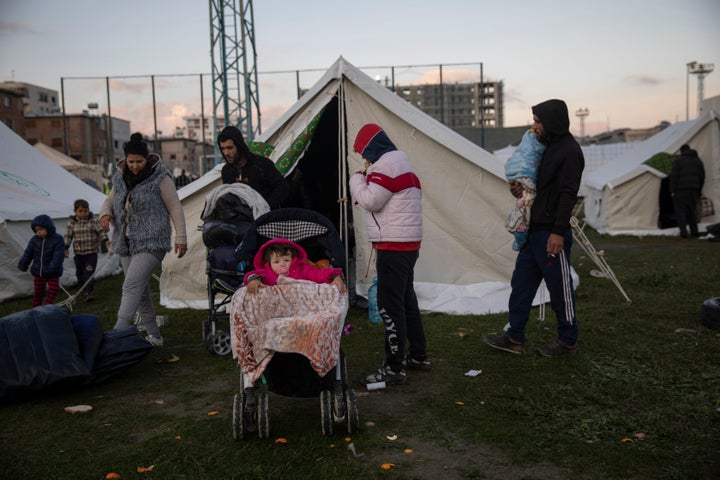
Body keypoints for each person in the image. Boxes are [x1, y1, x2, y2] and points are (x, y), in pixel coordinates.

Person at [484, 99, 585, 357]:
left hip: (551, 232)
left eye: (538, 121)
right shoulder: (544, 147)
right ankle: (514, 337)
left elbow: (567, 194)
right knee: (521, 286)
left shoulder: (570, 151)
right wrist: (519, 187)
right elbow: (536, 184)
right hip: (533, 231)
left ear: (552, 122)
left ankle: (567, 341)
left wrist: (557, 232)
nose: (534, 125)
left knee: (560, 290)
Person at [349, 123, 428, 385]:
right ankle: (417, 354)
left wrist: (356, 179)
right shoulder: (402, 162)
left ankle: (394, 367)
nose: (365, 159)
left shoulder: (386, 165)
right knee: (406, 301)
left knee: (389, 307)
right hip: (407, 245)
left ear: (373, 147)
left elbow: (371, 200)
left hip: (393, 247)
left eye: (364, 152)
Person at [99, 132, 187, 347]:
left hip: (153, 240)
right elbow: (110, 200)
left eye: (139, 161)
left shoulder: (161, 177)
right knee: (140, 291)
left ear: (147, 159)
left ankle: (117, 335)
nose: (135, 166)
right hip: (126, 242)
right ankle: (155, 337)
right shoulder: (119, 176)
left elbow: (175, 207)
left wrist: (181, 238)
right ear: (125, 160)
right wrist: (104, 213)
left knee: (131, 286)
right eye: (131, 162)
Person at [217, 125, 290, 209]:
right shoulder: (227, 171)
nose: (226, 153)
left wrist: (266, 207)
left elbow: (283, 187)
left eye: (230, 148)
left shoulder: (262, 164)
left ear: (239, 146)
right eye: (223, 149)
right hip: (242, 218)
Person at [243, 238, 346, 294]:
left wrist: (335, 276)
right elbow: (253, 275)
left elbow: (319, 274)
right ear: (269, 264)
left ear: (293, 259)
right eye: (276, 262)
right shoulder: (267, 274)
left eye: (286, 260)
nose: (282, 264)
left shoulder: (302, 269)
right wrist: (254, 281)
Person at [504, 128, 545, 251]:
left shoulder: (560, 150)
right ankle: (520, 236)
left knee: (523, 210)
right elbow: (522, 157)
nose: (534, 126)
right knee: (524, 207)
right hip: (524, 179)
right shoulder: (531, 140)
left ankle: (520, 236)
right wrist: (518, 180)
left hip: (545, 230)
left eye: (538, 122)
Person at [64, 198, 110, 302]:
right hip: (79, 254)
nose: (83, 213)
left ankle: (88, 292)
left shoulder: (93, 221)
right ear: (75, 211)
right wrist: (65, 248)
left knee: (88, 273)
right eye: (80, 211)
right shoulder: (72, 223)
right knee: (80, 273)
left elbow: (101, 232)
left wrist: (106, 241)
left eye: (85, 211)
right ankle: (82, 291)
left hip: (91, 253)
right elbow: (68, 236)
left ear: (88, 210)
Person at [17, 214, 65, 307]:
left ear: (48, 227)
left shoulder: (58, 239)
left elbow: (58, 256)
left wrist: (52, 268)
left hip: (53, 272)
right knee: (38, 292)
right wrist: (23, 264)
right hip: (38, 271)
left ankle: (48, 306)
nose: (38, 232)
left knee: (53, 290)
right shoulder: (34, 240)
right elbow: (28, 253)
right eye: (36, 230)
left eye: (41, 229)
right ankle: (36, 308)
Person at [669, 144, 705, 238]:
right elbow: (702, 177)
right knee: (692, 212)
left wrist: (672, 190)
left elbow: (674, 176)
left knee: (681, 212)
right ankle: (695, 232)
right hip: (694, 190)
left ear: (681, 151)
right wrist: (699, 190)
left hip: (681, 190)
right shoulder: (698, 161)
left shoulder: (678, 161)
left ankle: (684, 233)